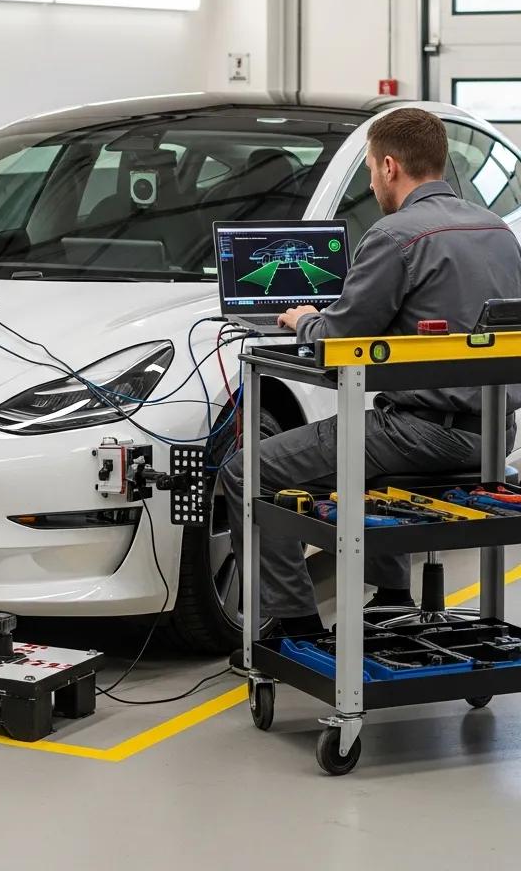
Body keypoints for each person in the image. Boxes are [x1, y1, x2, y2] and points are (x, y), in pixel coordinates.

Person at [222, 107, 521, 659]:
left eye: (368, 170)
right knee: (363, 440)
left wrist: (302, 319)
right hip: (495, 437)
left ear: (389, 166)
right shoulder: (497, 230)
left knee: (247, 471)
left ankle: (292, 625)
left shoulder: (395, 235)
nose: (370, 181)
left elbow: (338, 340)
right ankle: (389, 594)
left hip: (427, 435)